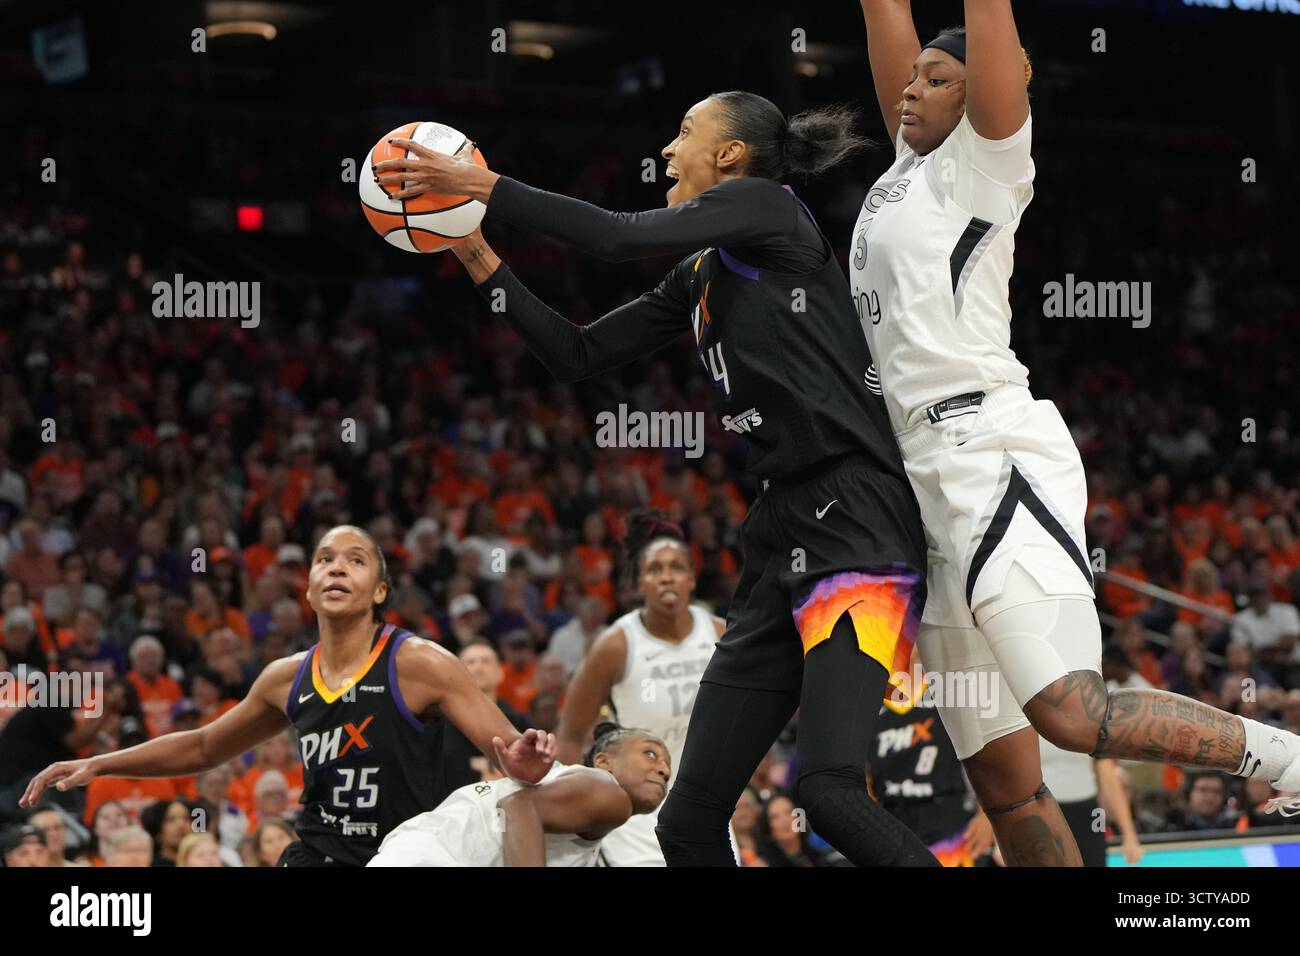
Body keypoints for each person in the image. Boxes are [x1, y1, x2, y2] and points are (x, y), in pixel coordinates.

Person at [382, 86, 937, 868]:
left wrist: (485, 185)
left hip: (856, 515)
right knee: (687, 822)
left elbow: (613, 237)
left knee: (830, 791)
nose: (668, 150)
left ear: (731, 156)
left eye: (684, 133)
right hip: (780, 528)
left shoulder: (771, 213)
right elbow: (576, 355)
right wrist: (471, 245)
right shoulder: (702, 274)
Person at [852, 0, 1300, 863]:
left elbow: (990, 31)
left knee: (1070, 712)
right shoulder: (905, 168)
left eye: (937, 79)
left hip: (990, 449)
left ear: (987, 94)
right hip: (915, 477)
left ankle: (1286, 755)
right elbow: (884, 12)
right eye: (911, 78)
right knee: (1006, 786)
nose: (912, 90)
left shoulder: (984, 164)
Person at [20, 525, 558, 866]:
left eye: (355, 559)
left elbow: (512, 754)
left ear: (379, 592)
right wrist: (99, 764)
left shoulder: (421, 663)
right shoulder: (286, 678)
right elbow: (204, 747)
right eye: (324, 559)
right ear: (307, 588)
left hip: (403, 854)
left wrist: (524, 760)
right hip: (316, 854)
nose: (336, 567)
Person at [556, 509, 722, 865]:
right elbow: (570, 736)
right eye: (654, 570)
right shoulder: (615, 645)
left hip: (706, 804)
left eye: (676, 567)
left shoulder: (721, 634)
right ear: (639, 583)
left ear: (692, 579)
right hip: (633, 812)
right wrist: (576, 818)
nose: (666, 578)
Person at [369, 723, 669, 867]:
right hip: (435, 857)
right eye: (650, 754)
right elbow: (518, 807)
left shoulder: (582, 808)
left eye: (667, 764)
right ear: (604, 761)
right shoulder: (609, 793)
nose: (663, 770)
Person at [441, 642, 531, 790]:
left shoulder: (520, 722)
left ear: (500, 672)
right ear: (456, 674)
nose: (478, 667)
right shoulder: (441, 726)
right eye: (470, 662)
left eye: (486, 661)